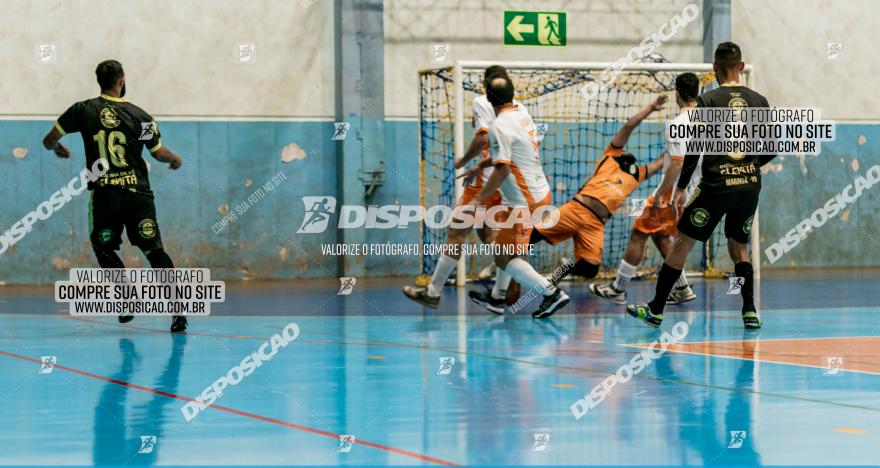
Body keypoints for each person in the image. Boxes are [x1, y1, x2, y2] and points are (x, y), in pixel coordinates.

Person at [626, 42, 775, 329]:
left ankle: (656, 309)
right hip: (749, 185)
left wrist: (680, 188)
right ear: (741, 68)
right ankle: (749, 311)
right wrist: (749, 167)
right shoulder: (759, 100)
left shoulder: (709, 100)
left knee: (682, 242)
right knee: (740, 248)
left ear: (715, 69)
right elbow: (771, 149)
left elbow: (695, 148)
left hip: (716, 185)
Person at [42, 59, 188, 332]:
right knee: (154, 251)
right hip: (138, 195)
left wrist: (58, 148)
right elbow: (158, 153)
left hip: (105, 195)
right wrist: (174, 159)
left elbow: (48, 139)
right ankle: (178, 312)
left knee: (103, 247)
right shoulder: (143, 116)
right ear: (122, 79)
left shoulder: (82, 110)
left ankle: (126, 296)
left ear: (99, 80)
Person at [402, 65, 517, 311]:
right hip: (509, 181)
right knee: (491, 237)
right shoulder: (519, 108)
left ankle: (433, 292)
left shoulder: (482, 101)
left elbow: (483, 137)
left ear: (486, 86)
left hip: (486, 181)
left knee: (456, 233)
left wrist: (464, 162)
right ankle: (503, 287)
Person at [590, 73, 702, 305]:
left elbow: (679, 163)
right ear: (698, 93)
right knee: (660, 237)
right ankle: (681, 289)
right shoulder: (708, 124)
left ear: (677, 93)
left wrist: (661, 193)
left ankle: (618, 289)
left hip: (672, 194)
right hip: (694, 192)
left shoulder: (677, 124)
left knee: (639, 232)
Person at [473, 75, 568, 319]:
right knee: (505, 250)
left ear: (488, 98)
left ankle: (551, 293)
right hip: (536, 192)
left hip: (523, 202)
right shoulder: (523, 116)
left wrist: (480, 199)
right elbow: (512, 153)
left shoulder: (498, 126)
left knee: (505, 255)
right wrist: (481, 164)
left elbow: (503, 168)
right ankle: (497, 298)